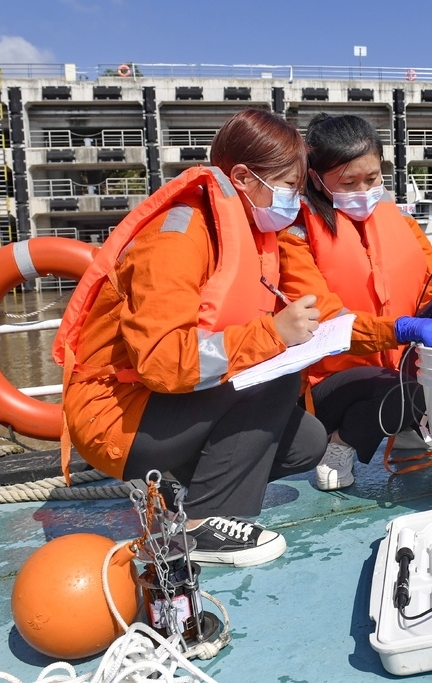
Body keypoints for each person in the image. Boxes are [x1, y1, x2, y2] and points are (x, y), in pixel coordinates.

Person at [53, 109, 327, 567]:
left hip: (170, 404)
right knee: (271, 375)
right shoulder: (176, 237)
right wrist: (273, 333)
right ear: (242, 177)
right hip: (118, 414)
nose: (294, 201)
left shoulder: (242, 232)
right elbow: (160, 362)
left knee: (308, 442)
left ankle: (183, 488)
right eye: (287, 186)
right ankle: (203, 525)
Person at [277, 113, 432, 491]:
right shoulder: (295, 233)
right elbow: (326, 318)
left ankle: (413, 431)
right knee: (403, 390)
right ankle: (340, 443)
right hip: (330, 380)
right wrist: (400, 329)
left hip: (398, 368)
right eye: (348, 182)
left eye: (373, 178)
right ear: (315, 178)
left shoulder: (402, 222)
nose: (364, 190)